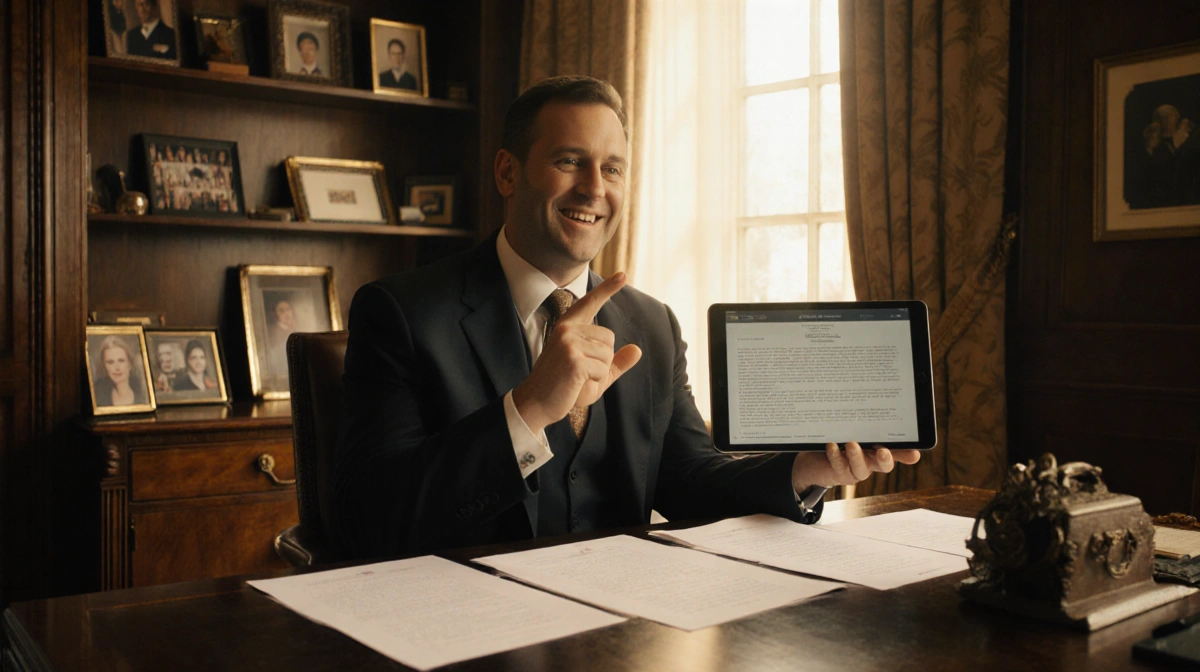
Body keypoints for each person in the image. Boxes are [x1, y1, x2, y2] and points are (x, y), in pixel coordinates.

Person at [334, 76, 921, 559]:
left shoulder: (653, 324)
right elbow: (374, 520)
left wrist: (804, 471)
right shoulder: (400, 312)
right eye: (570, 161)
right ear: (508, 173)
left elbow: (691, 482)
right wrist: (531, 407)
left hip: (622, 634)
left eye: (612, 169)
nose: (595, 188)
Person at [93, 336, 147, 407]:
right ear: (104, 366)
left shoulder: (143, 393)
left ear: (129, 363)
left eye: (121, 361)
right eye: (110, 362)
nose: (117, 368)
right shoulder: (98, 396)